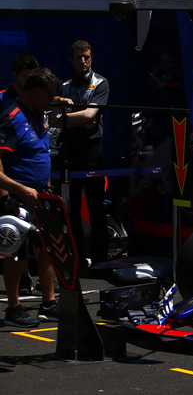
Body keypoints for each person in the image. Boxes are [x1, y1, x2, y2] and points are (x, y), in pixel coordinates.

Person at [0, 68, 61, 327]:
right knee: (15, 253)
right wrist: (12, 193)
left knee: (48, 247)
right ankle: (14, 308)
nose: (52, 99)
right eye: (49, 95)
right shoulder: (12, 118)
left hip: (41, 195)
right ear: (34, 92)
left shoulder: (40, 115)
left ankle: (48, 303)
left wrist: (45, 186)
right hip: (17, 196)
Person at [52, 40, 109, 269]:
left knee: (96, 208)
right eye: (79, 57)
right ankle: (75, 258)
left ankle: (100, 260)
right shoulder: (64, 86)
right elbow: (55, 120)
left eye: (86, 57)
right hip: (70, 151)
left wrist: (73, 117)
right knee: (71, 208)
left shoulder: (101, 83)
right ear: (71, 60)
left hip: (93, 151)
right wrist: (81, 118)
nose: (83, 61)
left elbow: (90, 116)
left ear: (91, 58)